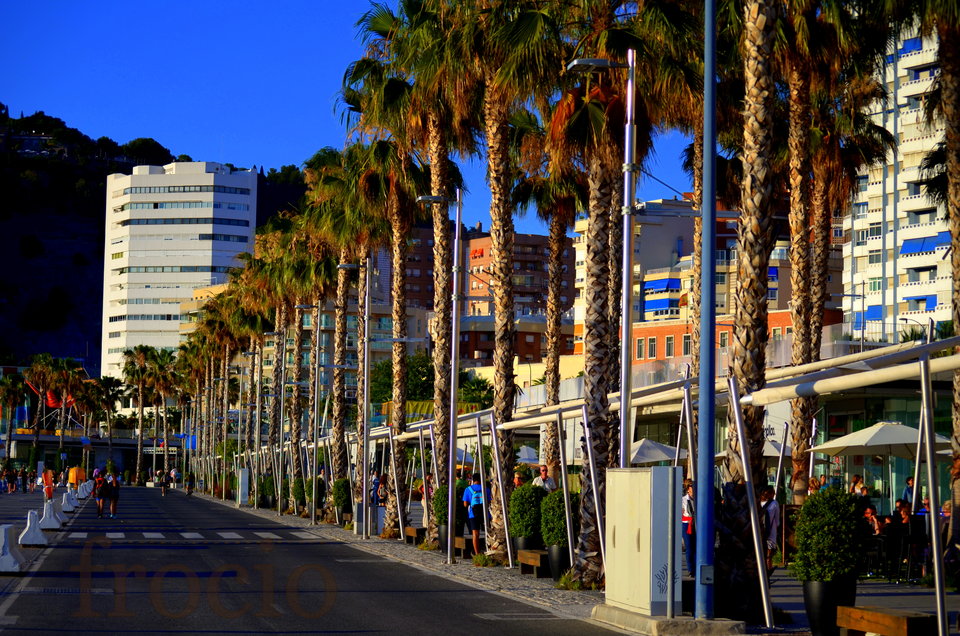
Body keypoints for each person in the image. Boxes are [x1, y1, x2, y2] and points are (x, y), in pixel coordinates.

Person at [462, 473, 489, 556]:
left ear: (473, 480)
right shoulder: (486, 489)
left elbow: (465, 504)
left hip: (473, 514)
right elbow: (489, 501)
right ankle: (489, 550)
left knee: (475, 534)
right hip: (485, 513)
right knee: (488, 533)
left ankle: (477, 554)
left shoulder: (468, 489)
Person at [759, 485, 780, 573]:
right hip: (771, 533)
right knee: (769, 556)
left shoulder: (758, 503)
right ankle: (768, 572)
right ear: (771, 494)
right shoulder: (774, 504)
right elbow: (777, 521)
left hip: (759, 533)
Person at [681, 482, 696, 577]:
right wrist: (690, 519)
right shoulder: (683, 500)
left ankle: (696, 567)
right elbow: (681, 515)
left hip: (696, 524)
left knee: (696, 546)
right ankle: (691, 569)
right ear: (688, 491)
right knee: (689, 546)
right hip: (687, 524)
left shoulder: (698, 499)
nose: (693, 493)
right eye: (691, 491)